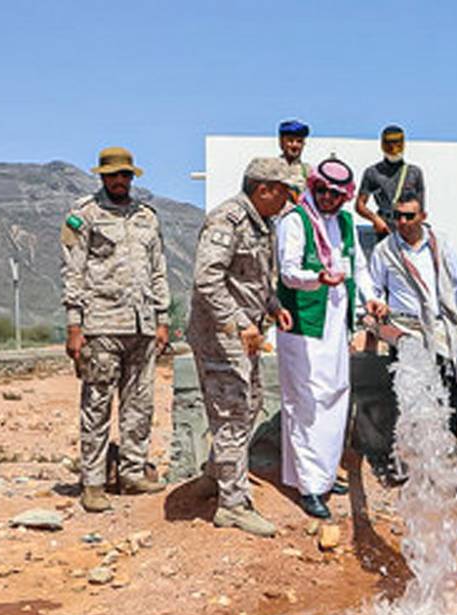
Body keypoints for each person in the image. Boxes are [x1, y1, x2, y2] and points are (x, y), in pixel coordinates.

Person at [187, 157, 294, 538]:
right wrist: (240, 323)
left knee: (249, 406)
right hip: (221, 336)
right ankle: (232, 505)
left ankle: (217, 473)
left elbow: (254, 279)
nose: (289, 199)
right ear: (263, 189)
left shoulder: (263, 224)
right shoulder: (227, 219)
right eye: (284, 191)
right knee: (232, 413)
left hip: (244, 336)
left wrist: (274, 307)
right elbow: (207, 279)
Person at [275, 157, 387, 519]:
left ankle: (321, 474)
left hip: (336, 325)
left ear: (345, 196)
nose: (326, 198)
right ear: (312, 186)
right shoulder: (294, 221)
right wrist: (318, 278)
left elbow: (358, 267)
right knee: (306, 401)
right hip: (304, 325)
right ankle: (310, 487)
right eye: (321, 190)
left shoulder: (345, 222)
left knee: (336, 395)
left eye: (335, 194)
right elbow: (289, 271)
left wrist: (371, 296)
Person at [60, 146, 170, 512]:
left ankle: (132, 472)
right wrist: (75, 325)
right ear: (102, 177)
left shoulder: (147, 218)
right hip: (101, 324)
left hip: (141, 326)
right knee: (97, 404)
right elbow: (72, 270)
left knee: (140, 404)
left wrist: (162, 318)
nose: (119, 181)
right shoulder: (83, 215)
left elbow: (158, 270)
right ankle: (92, 482)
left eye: (125, 175)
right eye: (113, 175)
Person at [369, 192, 457, 436]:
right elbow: (373, 289)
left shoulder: (442, 246)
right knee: (412, 403)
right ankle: (415, 467)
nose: (402, 221)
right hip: (406, 332)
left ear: (423, 217)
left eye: (409, 216)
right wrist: (379, 303)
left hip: (442, 331)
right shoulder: (384, 251)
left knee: (450, 399)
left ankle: (447, 464)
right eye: (397, 216)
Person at [356, 125, 426, 238]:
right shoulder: (372, 172)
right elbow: (360, 204)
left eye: (397, 143)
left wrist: (415, 225)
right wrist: (375, 219)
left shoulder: (414, 172)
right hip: (385, 229)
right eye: (389, 143)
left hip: (408, 228)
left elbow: (420, 207)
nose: (393, 148)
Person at [278, 119, 312, 194]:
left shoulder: (308, 171)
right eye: (290, 141)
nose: (295, 145)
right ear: (281, 142)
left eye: (299, 141)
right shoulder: (272, 167)